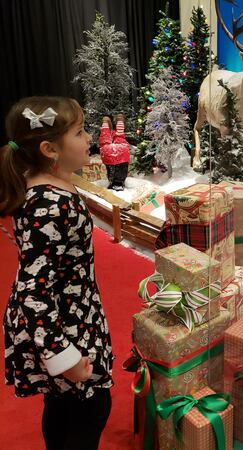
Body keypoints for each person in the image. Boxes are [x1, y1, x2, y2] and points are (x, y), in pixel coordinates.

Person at [0, 97, 114, 450]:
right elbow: (33, 290)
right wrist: (62, 354)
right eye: (79, 133)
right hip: (63, 327)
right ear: (51, 149)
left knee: (64, 405)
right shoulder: (49, 205)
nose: (90, 138)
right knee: (90, 408)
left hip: (72, 312)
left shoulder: (53, 184)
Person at [99, 114, 130, 191]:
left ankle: (106, 124)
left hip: (108, 152)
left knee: (106, 142)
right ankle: (111, 124)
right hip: (122, 151)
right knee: (119, 138)